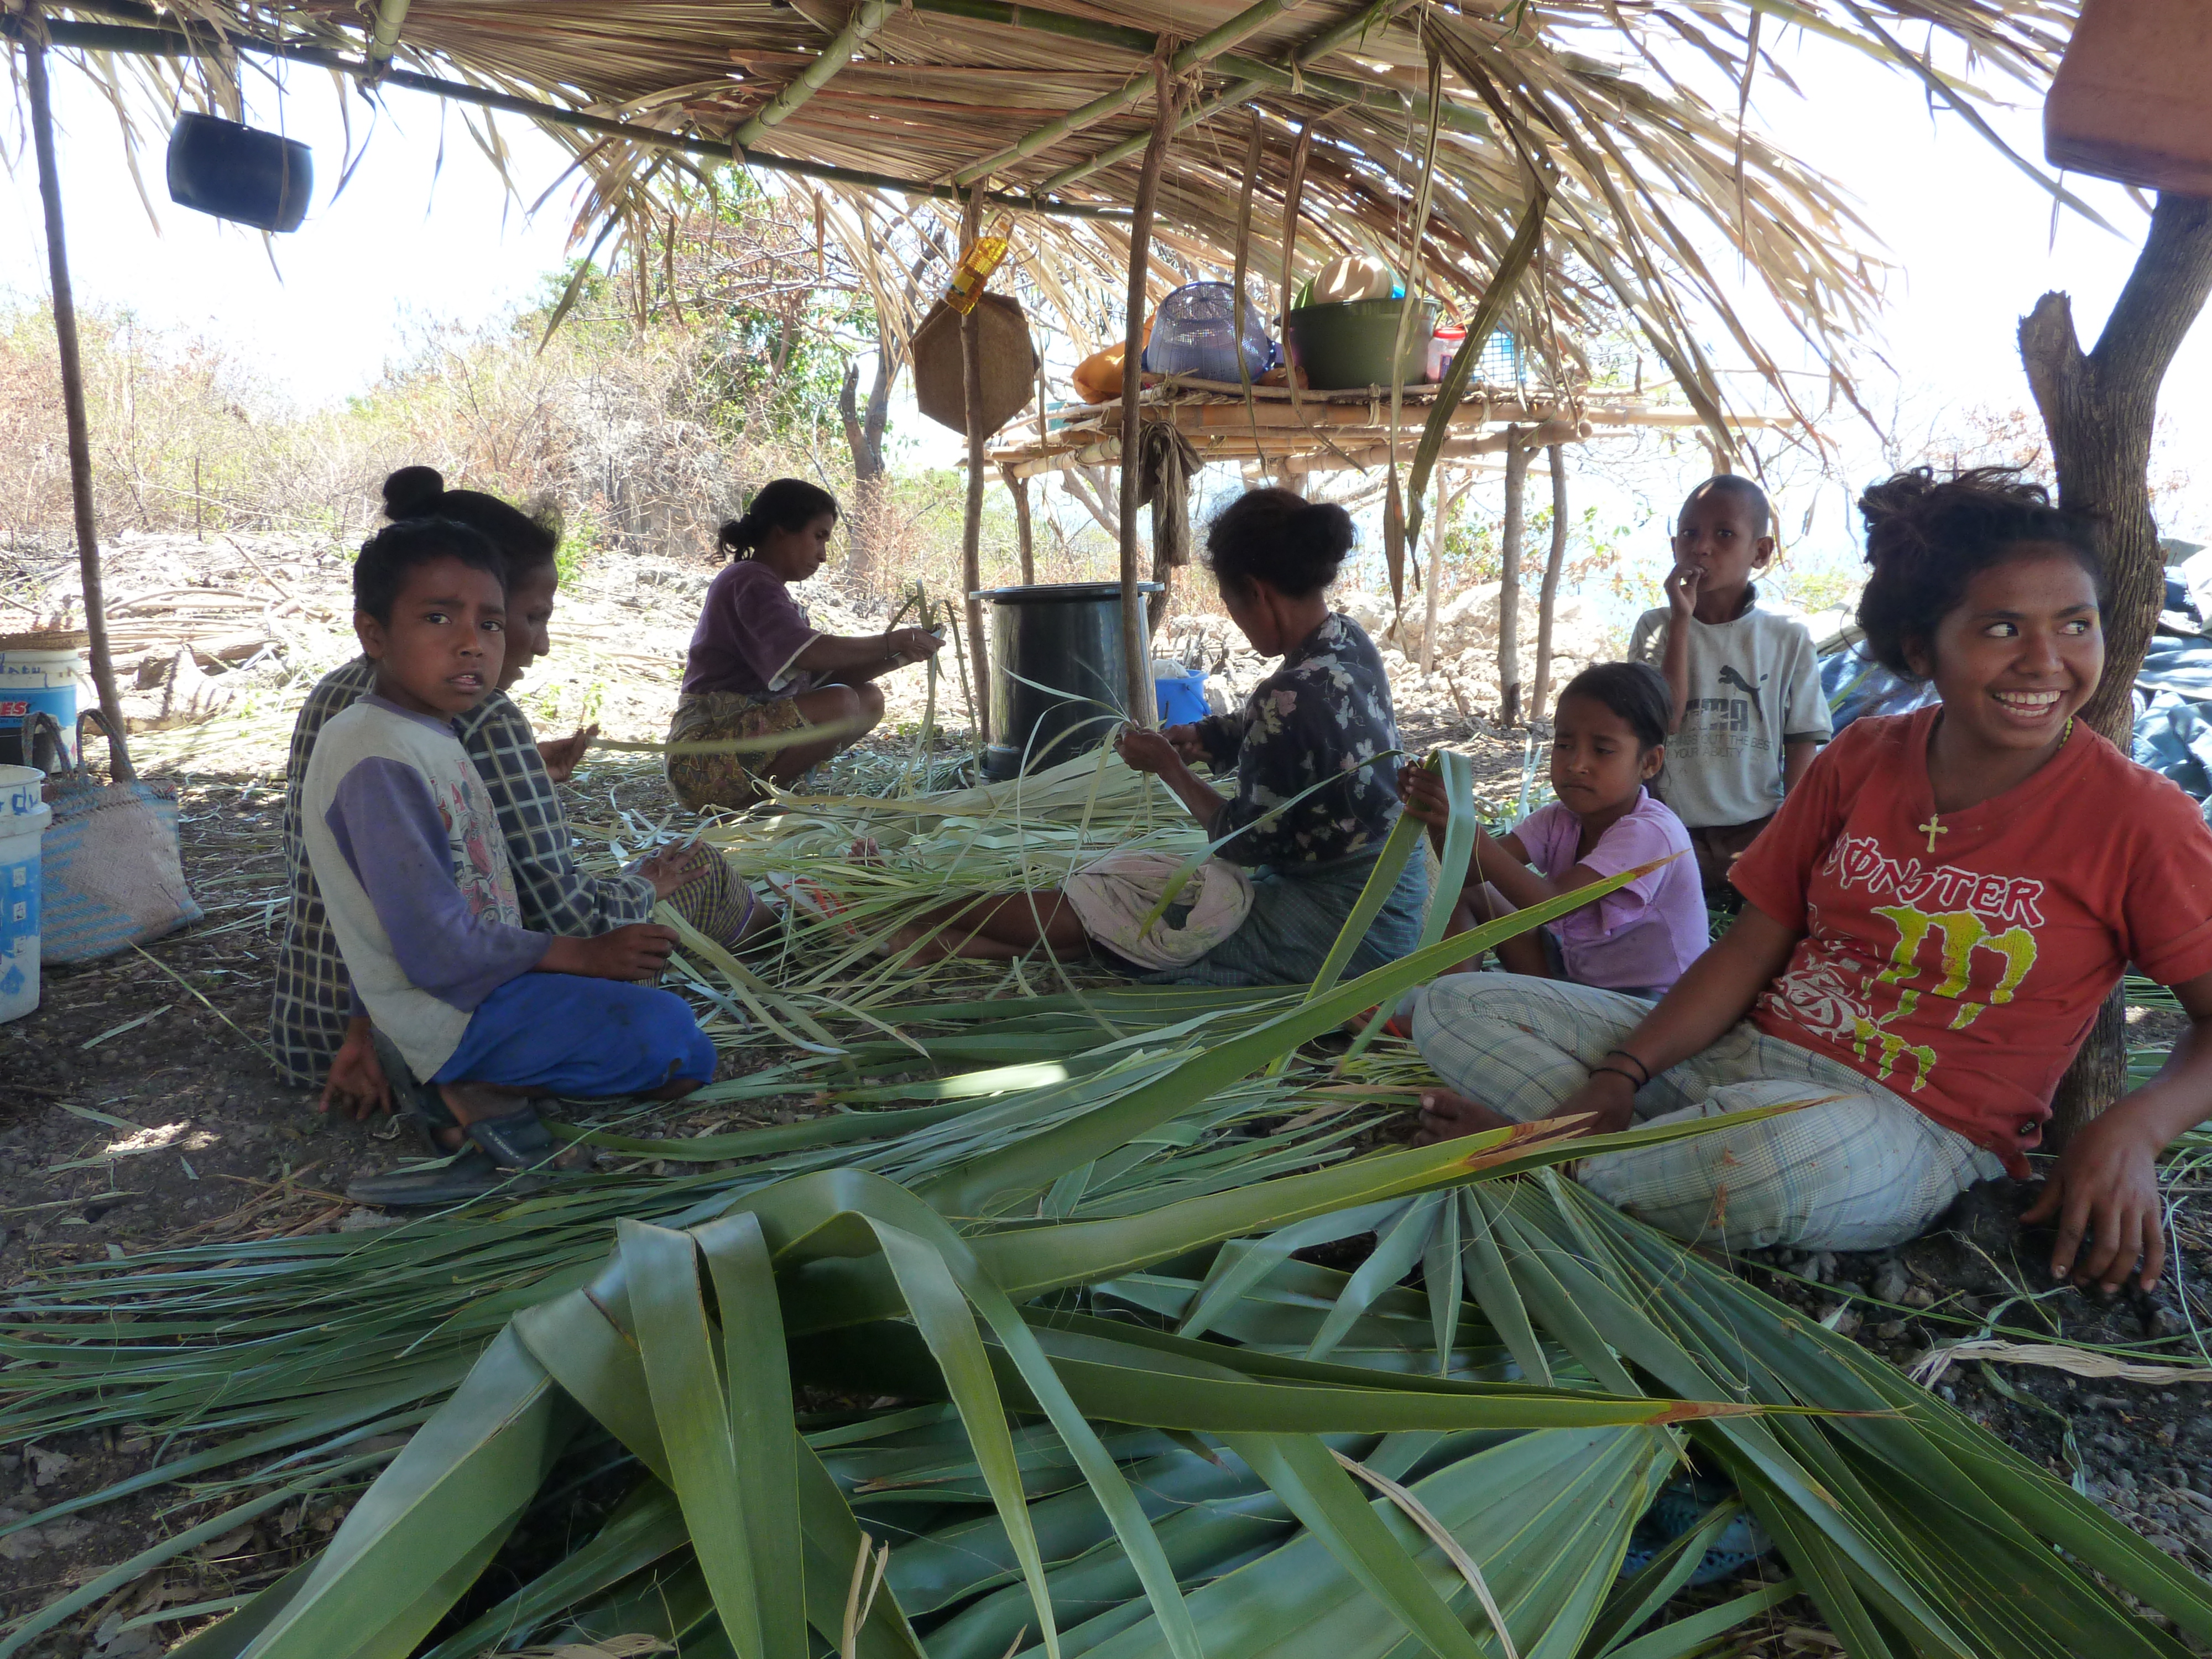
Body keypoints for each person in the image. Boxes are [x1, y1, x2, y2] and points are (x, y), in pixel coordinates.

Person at [1411, 468, 2212, 1293]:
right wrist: (1623, 1075)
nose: (2045, 661)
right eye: (2002, 628)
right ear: (1920, 648)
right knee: (1453, 1005)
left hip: (1909, 1129)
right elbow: (1749, 947)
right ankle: (1633, 1167)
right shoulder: (1864, 758)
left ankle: (1536, 1163)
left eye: (2075, 624)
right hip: (1741, 1058)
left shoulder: (2139, 818)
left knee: (1770, 1159)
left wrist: (2135, 1128)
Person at [273, 467, 724, 1108]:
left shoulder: (367, 704)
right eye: (530, 618)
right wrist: (631, 902)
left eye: (488, 625)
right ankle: (463, 1092)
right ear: (375, 629)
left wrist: (528, 770)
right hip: (434, 1019)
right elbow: (558, 916)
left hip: (315, 1010)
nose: (531, 645)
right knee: (680, 1006)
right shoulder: (469, 722)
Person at [889, 488, 1427, 985]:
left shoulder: (1285, 696)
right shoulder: (1347, 640)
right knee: (1138, 898)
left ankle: (911, 908)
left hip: (1346, 928)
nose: (1238, 623)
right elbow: (1299, 730)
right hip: (1395, 892)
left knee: (1136, 905)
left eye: (1231, 604)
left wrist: (1169, 769)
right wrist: (1208, 736)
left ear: (1256, 592)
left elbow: (1242, 843)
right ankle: (936, 943)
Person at [1399, 662, 1707, 1002]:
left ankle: (1450, 1010)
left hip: (1647, 1007)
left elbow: (1554, 905)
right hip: (1574, 978)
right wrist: (1437, 816)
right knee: (1468, 893)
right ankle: (1448, 1001)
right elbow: (1468, 874)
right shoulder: (1561, 818)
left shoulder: (1651, 832)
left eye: (1602, 750)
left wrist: (1469, 832)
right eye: (1564, 745)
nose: (1576, 764)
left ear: (1649, 763)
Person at [669, 479, 943, 810]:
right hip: (701, 761)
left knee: (868, 699)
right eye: (819, 537)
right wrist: (890, 641)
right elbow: (810, 654)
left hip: (725, 757)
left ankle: (767, 796)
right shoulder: (749, 581)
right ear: (782, 530)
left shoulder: (765, 587)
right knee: (840, 703)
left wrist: (900, 654)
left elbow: (819, 678)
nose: (823, 555)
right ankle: (747, 808)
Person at [1627, 476, 1831, 901]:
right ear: (1674, 546)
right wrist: (1681, 621)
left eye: (1724, 534)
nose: (1701, 547)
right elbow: (1664, 720)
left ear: (1761, 552)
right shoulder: (1656, 627)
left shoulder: (1787, 636)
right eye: (1689, 533)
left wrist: (1791, 833)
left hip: (1756, 829)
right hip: (1668, 828)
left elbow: (1801, 742)